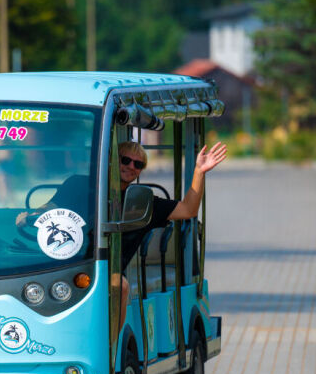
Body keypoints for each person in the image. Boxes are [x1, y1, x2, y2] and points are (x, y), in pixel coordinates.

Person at [18, 139, 228, 329]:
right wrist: (32, 214)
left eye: (138, 164)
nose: (131, 166)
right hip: (68, 260)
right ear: (111, 159)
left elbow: (188, 210)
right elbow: (52, 206)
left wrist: (199, 171)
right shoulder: (79, 184)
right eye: (125, 160)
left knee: (120, 285)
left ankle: (112, 346)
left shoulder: (142, 201)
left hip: (109, 268)